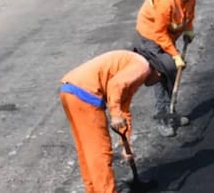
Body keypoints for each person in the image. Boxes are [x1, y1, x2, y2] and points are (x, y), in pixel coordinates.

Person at [60, 49, 174, 192]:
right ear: (159, 73)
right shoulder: (142, 67)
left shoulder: (134, 65)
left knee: (87, 151)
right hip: (84, 94)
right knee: (100, 152)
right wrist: (115, 114)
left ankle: (93, 190)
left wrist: (126, 145)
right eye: (161, 81)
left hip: (69, 91)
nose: (157, 83)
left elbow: (124, 109)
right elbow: (115, 85)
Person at [135, 0, 196, 137]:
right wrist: (175, 55)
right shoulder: (165, 1)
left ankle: (171, 111)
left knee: (172, 71)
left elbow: (188, 14)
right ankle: (163, 117)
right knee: (162, 72)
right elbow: (159, 33)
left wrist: (189, 29)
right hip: (151, 36)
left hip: (167, 36)